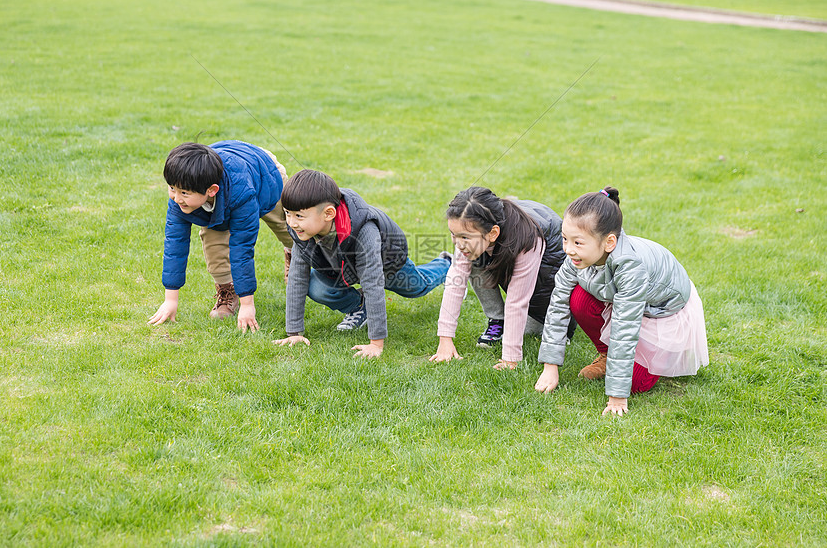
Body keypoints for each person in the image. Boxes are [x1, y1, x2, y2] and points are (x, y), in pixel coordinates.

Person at [534, 187, 709, 415]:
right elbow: (558, 304)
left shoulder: (630, 268)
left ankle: (649, 363)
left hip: (660, 310)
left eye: (577, 243)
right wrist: (550, 366)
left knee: (636, 384)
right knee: (577, 298)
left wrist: (617, 398)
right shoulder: (575, 257)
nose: (568, 250)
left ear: (609, 243)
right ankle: (606, 356)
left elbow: (624, 328)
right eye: (565, 239)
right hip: (622, 298)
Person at [272, 169, 451, 358]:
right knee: (315, 286)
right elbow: (297, 277)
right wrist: (294, 333)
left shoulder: (364, 230)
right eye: (287, 214)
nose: (291, 222)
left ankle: (447, 263)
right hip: (342, 266)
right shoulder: (301, 230)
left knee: (417, 287)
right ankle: (359, 307)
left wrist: (376, 343)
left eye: (298, 216)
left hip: (386, 262)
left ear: (328, 213)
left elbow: (373, 283)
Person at [148, 140, 294, 330]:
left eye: (183, 192)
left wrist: (248, 305)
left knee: (288, 227)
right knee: (212, 240)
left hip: (265, 174)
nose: (176, 198)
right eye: (172, 188)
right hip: (222, 194)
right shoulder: (180, 199)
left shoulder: (243, 193)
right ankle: (227, 291)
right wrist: (170, 299)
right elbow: (175, 244)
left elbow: (242, 247)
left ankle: (294, 255)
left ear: (211, 191)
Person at [429, 186, 573, 370]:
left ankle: (563, 327)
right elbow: (455, 283)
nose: (457, 243)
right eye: (453, 234)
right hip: (503, 250)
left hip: (549, 269)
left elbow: (517, 300)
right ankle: (498, 320)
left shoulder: (528, 238)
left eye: (464, 237)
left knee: (537, 330)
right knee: (473, 258)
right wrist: (445, 339)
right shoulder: (471, 233)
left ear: (493, 233)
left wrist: (510, 358)